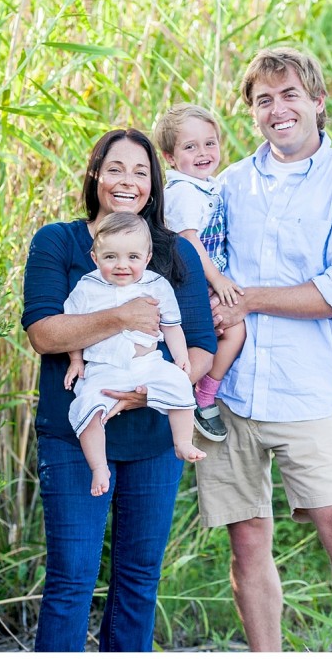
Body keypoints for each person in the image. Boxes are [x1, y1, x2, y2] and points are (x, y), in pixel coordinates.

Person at [195, 47, 332, 651]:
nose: (277, 110)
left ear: (317, 102)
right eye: (263, 100)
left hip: (303, 394)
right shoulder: (225, 186)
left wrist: (246, 298)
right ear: (253, 113)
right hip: (225, 395)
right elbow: (197, 265)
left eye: (289, 96)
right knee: (247, 538)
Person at [22, 128, 217, 652]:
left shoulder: (173, 254)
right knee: (71, 578)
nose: (126, 181)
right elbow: (44, 333)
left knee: (138, 580)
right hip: (76, 433)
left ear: (154, 184)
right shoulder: (58, 242)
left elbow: (198, 347)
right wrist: (122, 316)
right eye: (115, 169)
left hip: (154, 438)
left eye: (140, 171)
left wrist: (148, 393)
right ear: (95, 176)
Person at [63, 212, 204, 497]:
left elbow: (171, 325)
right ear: (95, 257)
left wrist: (180, 357)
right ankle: (99, 467)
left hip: (147, 363)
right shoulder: (86, 288)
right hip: (103, 367)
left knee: (179, 384)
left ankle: (182, 442)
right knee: (88, 406)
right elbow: (72, 327)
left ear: (147, 257)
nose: (122, 265)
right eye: (111, 257)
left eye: (132, 257)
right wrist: (76, 361)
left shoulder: (156, 285)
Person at [155, 104, 245, 442]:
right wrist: (217, 280)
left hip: (203, 281)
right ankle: (202, 395)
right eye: (190, 147)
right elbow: (190, 242)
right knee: (235, 331)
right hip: (193, 284)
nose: (203, 153)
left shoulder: (206, 187)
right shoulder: (183, 193)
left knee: (229, 330)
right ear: (170, 157)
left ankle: (194, 392)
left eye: (210, 143)